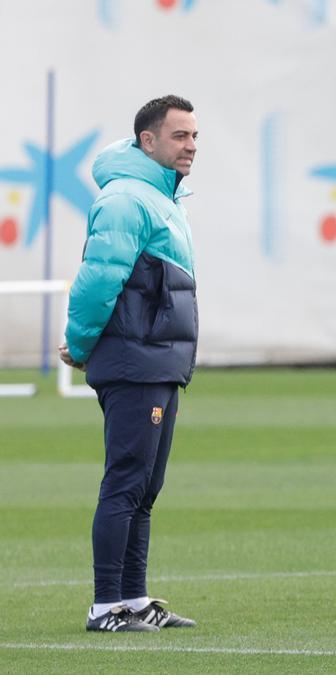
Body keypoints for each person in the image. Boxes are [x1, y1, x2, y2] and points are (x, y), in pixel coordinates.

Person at [61, 95, 201, 632]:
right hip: (135, 360)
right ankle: (105, 606)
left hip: (159, 360)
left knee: (145, 487)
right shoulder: (126, 199)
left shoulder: (162, 197)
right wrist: (81, 342)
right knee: (125, 483)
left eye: (194, 137)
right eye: (179, 136)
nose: (190, 146)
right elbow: (98, 280)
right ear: (148, 140)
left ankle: (135, 599)